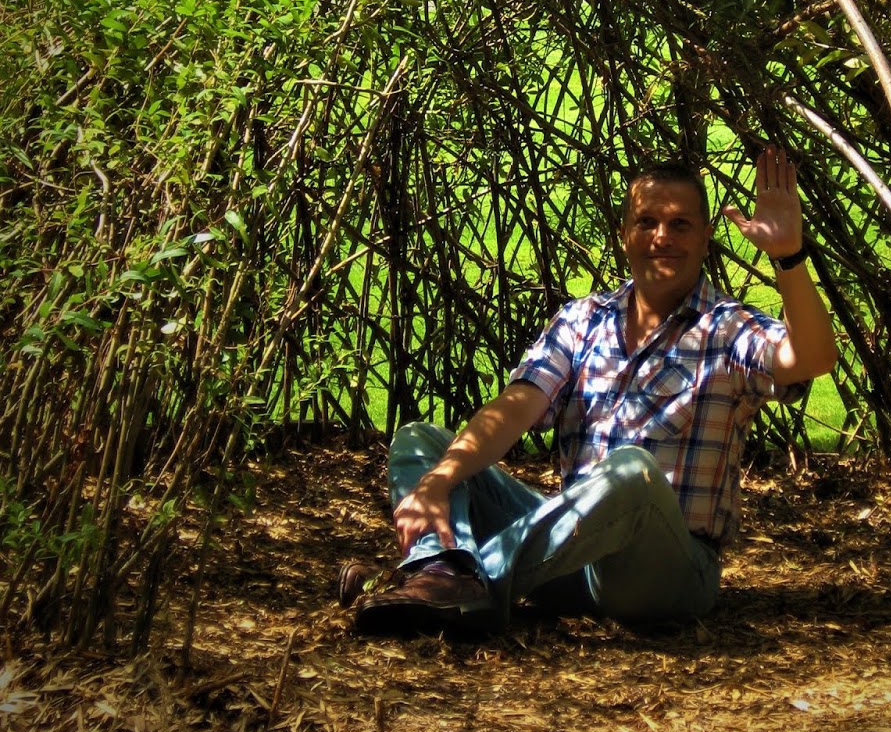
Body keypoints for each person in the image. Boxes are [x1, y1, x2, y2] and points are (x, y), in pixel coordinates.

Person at [340, 145, 836, 636]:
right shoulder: (584, 320)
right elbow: (515, 408)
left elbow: (811, 358)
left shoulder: (726, 328)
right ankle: (436, 571)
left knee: (633, 473)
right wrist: (440, 478)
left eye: (680, 224)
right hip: (574, 561)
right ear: (625, 235)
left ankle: (456, 581)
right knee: (421, 443)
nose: (662, 236)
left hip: (668, 574)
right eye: (647, 222)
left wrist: (788, 258)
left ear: (706, 238)